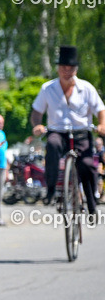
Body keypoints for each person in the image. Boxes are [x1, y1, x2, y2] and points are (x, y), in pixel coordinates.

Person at [31, 46, 105, 215]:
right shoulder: (47, 88)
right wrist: (37, 125)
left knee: (87, 165)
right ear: (58, 68)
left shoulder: (86, 88)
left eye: (70, 68)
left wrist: (102, 125)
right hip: (57, 131)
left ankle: (92, 204)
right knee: (52, 144)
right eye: (63, 68)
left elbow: (101, 109)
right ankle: (50, 189)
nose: (67, 71)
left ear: (76, 69)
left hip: (81, 133)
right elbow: (37, 112)